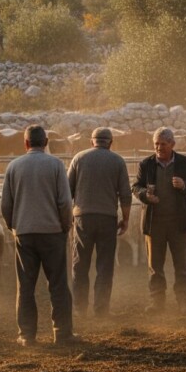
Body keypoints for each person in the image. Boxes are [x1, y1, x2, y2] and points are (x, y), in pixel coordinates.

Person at [1, 125, 78, 346]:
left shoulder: (13, 166)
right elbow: (65, 201)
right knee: (58, 283)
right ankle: (62, 333)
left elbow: (6, 203)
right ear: (46, 142)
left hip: (24, 234)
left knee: (25, 286)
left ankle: (27, 335)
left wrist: (14, 226)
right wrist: (65, 226)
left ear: (25, 143)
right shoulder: (56, 165)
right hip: (52, 232)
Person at [132, 128, 186, 314]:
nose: (159, 148)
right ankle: (157, 302)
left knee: (182, 264)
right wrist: (145, 195)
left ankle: (184, 301)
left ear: (172, 144)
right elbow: (136, 186)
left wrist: (184, 185)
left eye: (163, 144)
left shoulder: (184, 162)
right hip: (154, 223)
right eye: (156, 144)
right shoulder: (146, 164)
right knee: (155, 266)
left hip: (179, 223)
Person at [68, 127, 132, 318]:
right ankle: (101, 309)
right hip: (107, 218)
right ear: (110, 143)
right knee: (105, 265)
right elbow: (126, 194)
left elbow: (66, 190)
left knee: (80, 264)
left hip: (83, 218)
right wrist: (126, 219)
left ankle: (79, 308)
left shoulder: (79, 158)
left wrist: (68, 216)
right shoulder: (117, 161)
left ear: (92, 141)